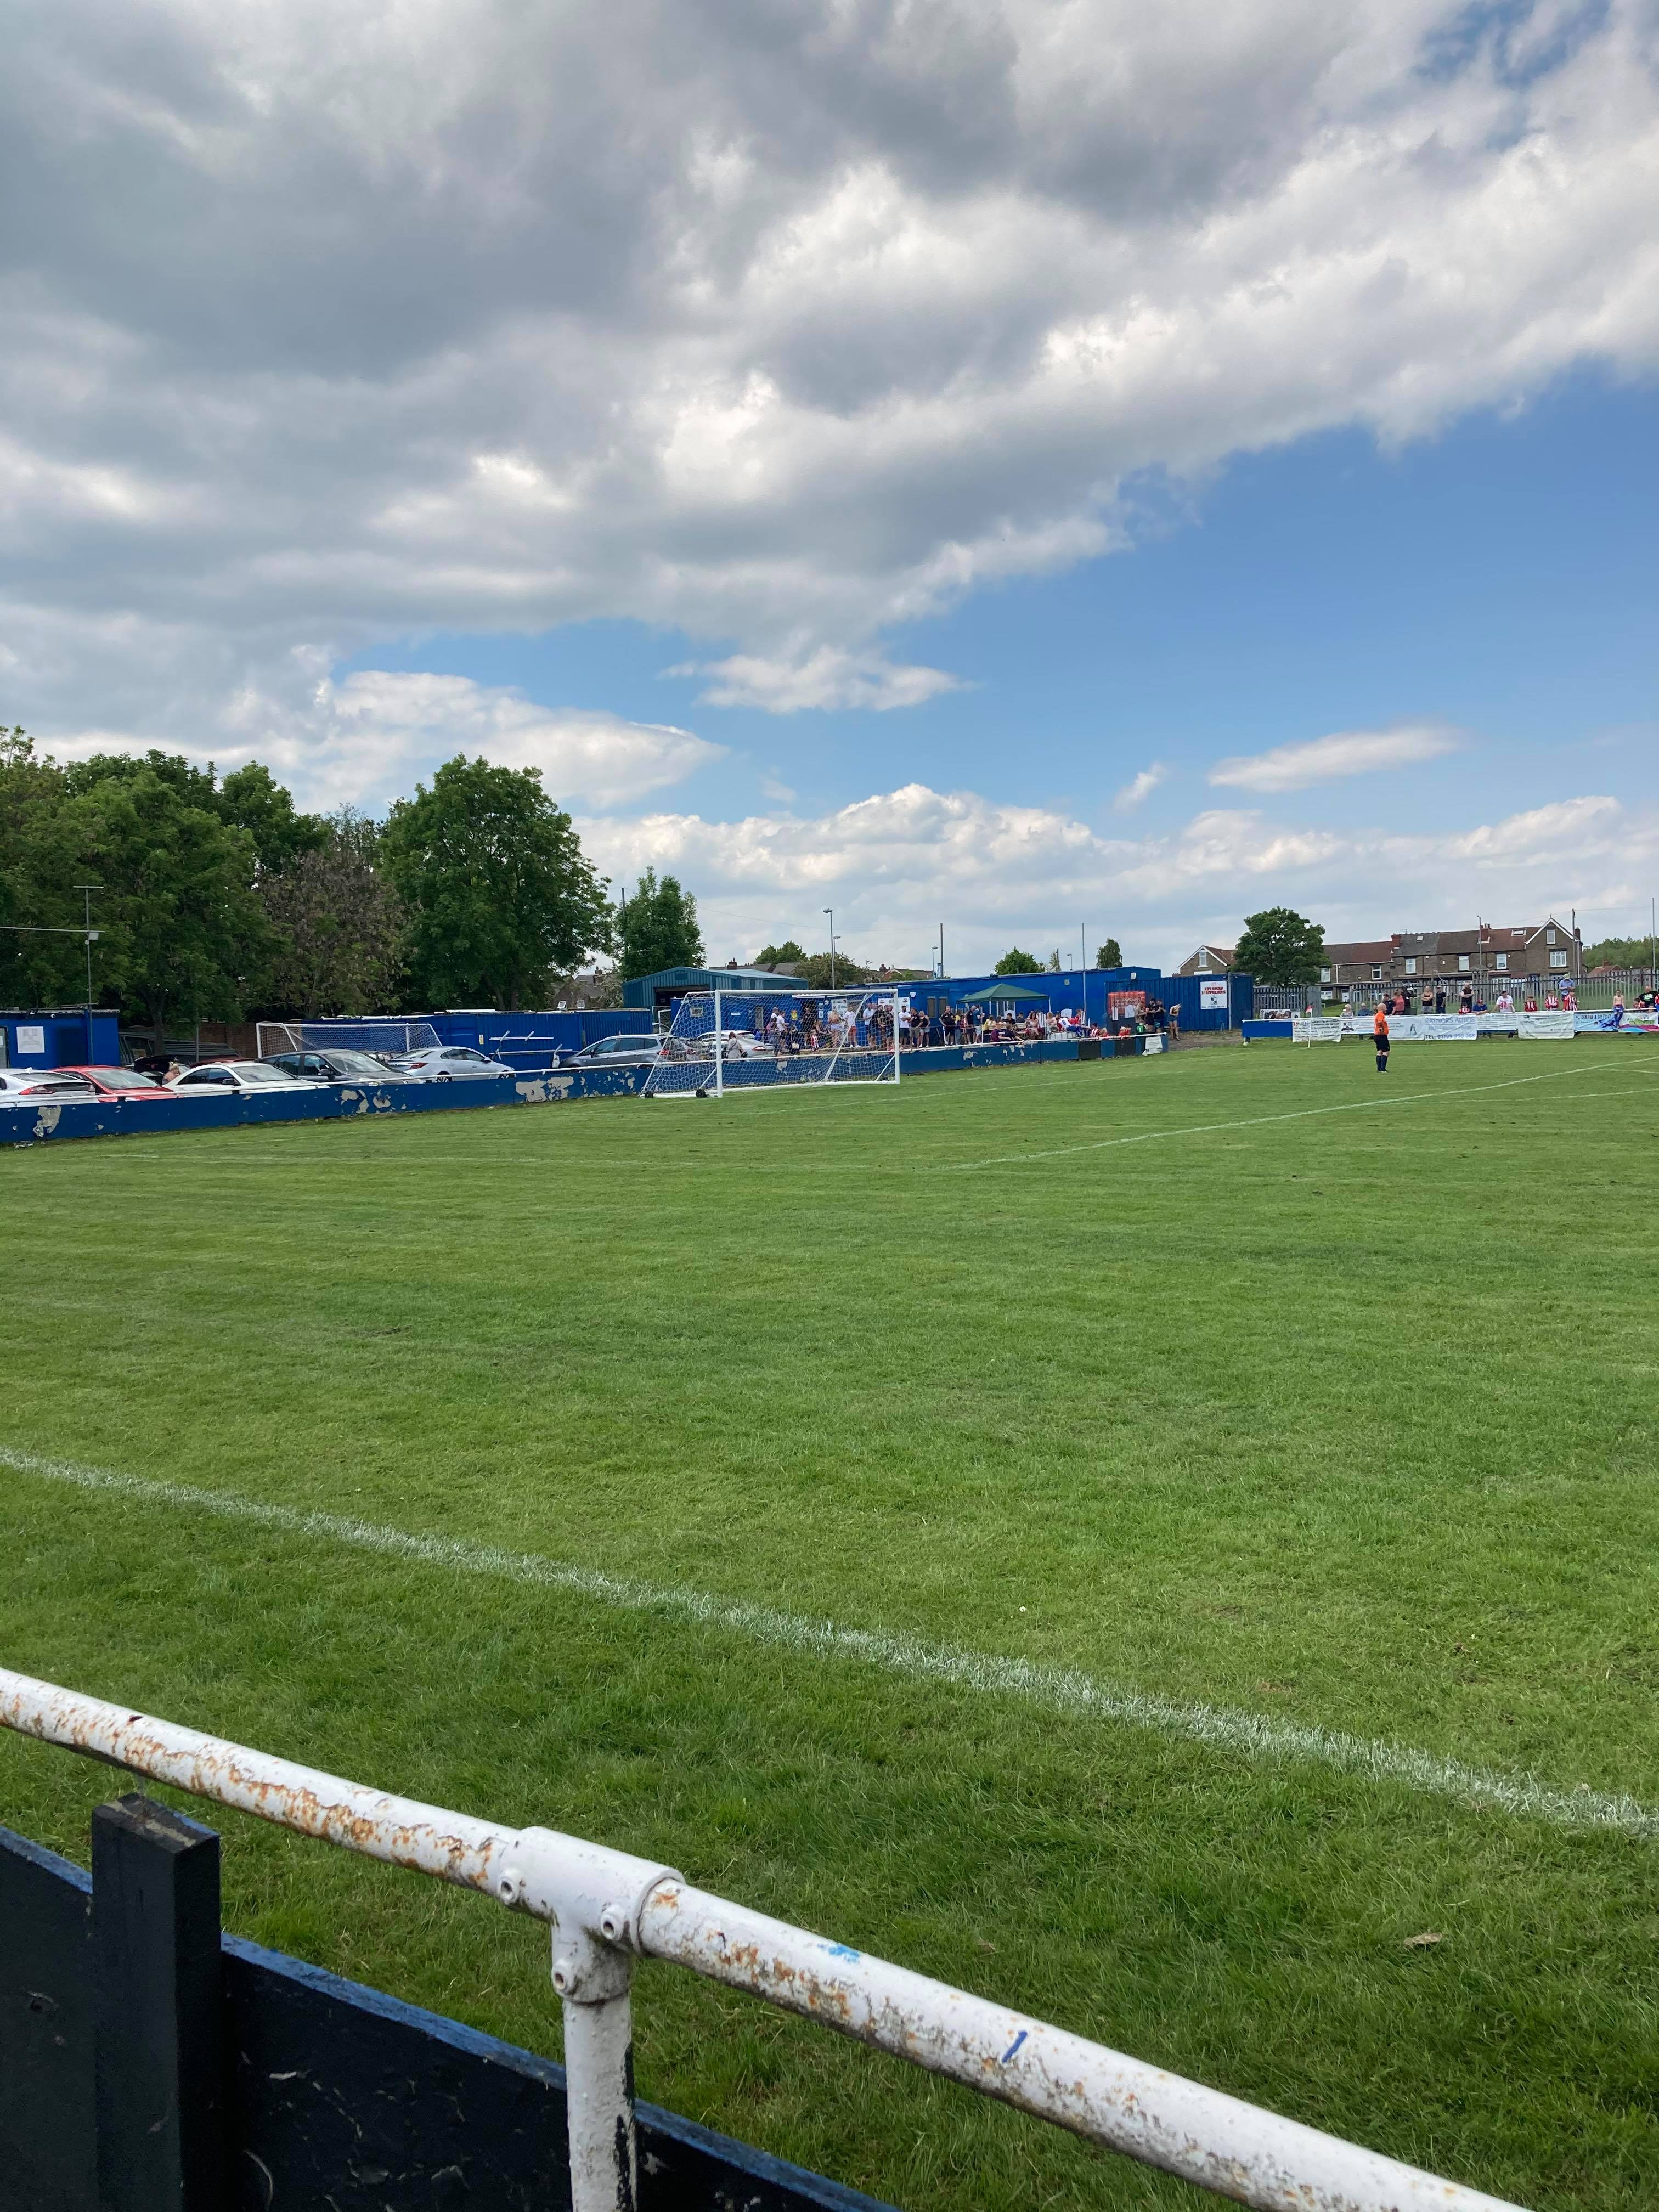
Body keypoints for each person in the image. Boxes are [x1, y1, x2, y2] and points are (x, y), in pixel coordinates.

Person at [1373, 1001, 1390, 1074]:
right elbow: (1380, 1022)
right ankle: (1383, 1069)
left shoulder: (1377, 1014)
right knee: (1386, 1052)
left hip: (1377, 1035)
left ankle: (1379, 1069)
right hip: (1381, 1035)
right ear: (1383, 1008)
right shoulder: (1381, 1015)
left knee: (1380, 1051)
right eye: (1385, 1008)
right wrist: (1382, 1029)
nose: (1386, 1009)